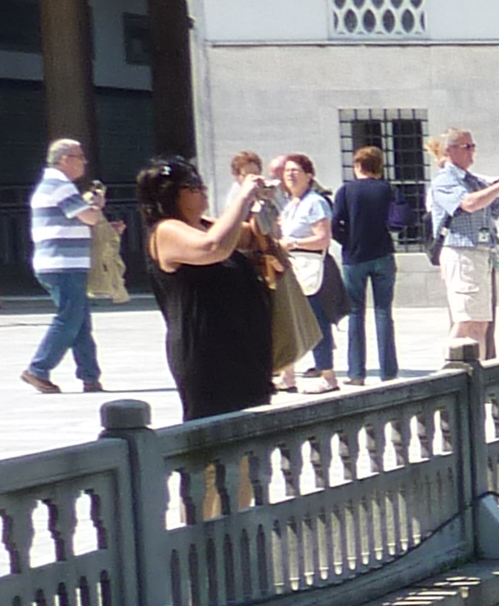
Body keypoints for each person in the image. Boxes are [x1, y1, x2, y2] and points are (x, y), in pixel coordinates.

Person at [136, 155, 277, 421]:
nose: (202, 190)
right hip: (209, 354)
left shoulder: (207, 225)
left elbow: (254, 238)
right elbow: (213, 248)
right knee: (220, 440)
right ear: (168, 194)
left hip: (245, 345)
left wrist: (263, 202)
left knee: (252, 437)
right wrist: (242, 197)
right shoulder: (166, 231)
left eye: (201, 184)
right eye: (192, 185)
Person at [426, 125, 499, 360]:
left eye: (473, 146)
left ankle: (478, 378)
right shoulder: (445, 181)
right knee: (464, 322)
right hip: (461, 253)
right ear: (450, 151)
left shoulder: (474, 181)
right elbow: (469, 204)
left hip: (481, 254)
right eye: (467, 146)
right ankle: (451, 377)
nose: (472, 152)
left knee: (480, 324)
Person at [20, 138, 106, 395]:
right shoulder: (60, 185)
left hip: (64, 263)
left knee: (79, 321)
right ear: (65, 159)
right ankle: (38, 368)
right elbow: (89, 217)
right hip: (62, 263)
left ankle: (90, 376)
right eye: (80, 157)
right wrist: (97, 205)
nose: (84, 162)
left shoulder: (55, 185)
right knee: (69, 317)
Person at [327, 143, 403, 382]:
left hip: (354, 257)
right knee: (383, 312)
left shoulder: (346, 191)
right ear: (379, 166)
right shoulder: (387, 189)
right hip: (383, 253)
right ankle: (388, 371)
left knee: (356, 313)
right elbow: (402, 217)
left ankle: (357, 372)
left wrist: (346, 242)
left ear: (357, 166)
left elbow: (334, 224)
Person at [273, 154, 341, 392]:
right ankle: (287, 373)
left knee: (316, 320)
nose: (290, 175)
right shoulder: (291, 203)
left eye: (296, 171)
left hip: (309, 269)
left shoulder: (315, 202)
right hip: (293, 269)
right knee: (291, 322)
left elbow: (323, 239)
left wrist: (293, 243)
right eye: (287, 171)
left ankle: (328, 375)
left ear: (309, 175)